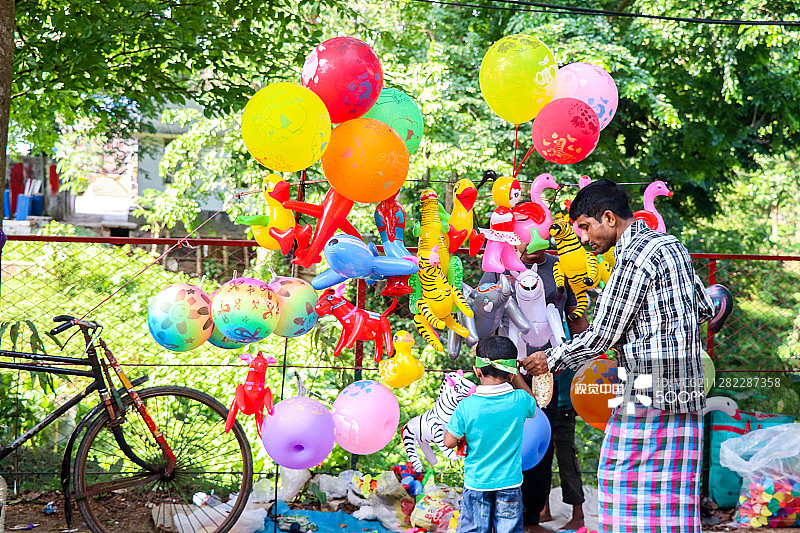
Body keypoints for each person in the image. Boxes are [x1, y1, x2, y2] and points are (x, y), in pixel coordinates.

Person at [522, 179, 715, 533]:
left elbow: (603, 335)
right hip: (687, 382)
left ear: (608, 218)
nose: (582, 236)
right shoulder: (672, 245)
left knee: (619, 478)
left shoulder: (633, 256)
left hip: (647, 381)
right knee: (674, 489)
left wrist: (551, 359)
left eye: (584, 226)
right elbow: (704, 307)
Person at [480, 227, 589, 533]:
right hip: (504, 371)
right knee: (503, 438)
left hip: (548, 370)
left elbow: (575, 316)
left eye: (541, 233)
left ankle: (529, 518)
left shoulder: (559, 266)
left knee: (541, 435)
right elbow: (481, 314)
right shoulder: (498, 267)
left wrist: (585, 358)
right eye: (528, 235)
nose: (537, 242)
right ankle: (498, 514)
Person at [443, 335, 539, 533]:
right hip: (510, 482)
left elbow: (448, 442)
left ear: (477, 371)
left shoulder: (466, 406)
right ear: (512, 374)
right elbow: (533, 403)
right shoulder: (520, 400)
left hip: (477, 482)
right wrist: (517, 375)